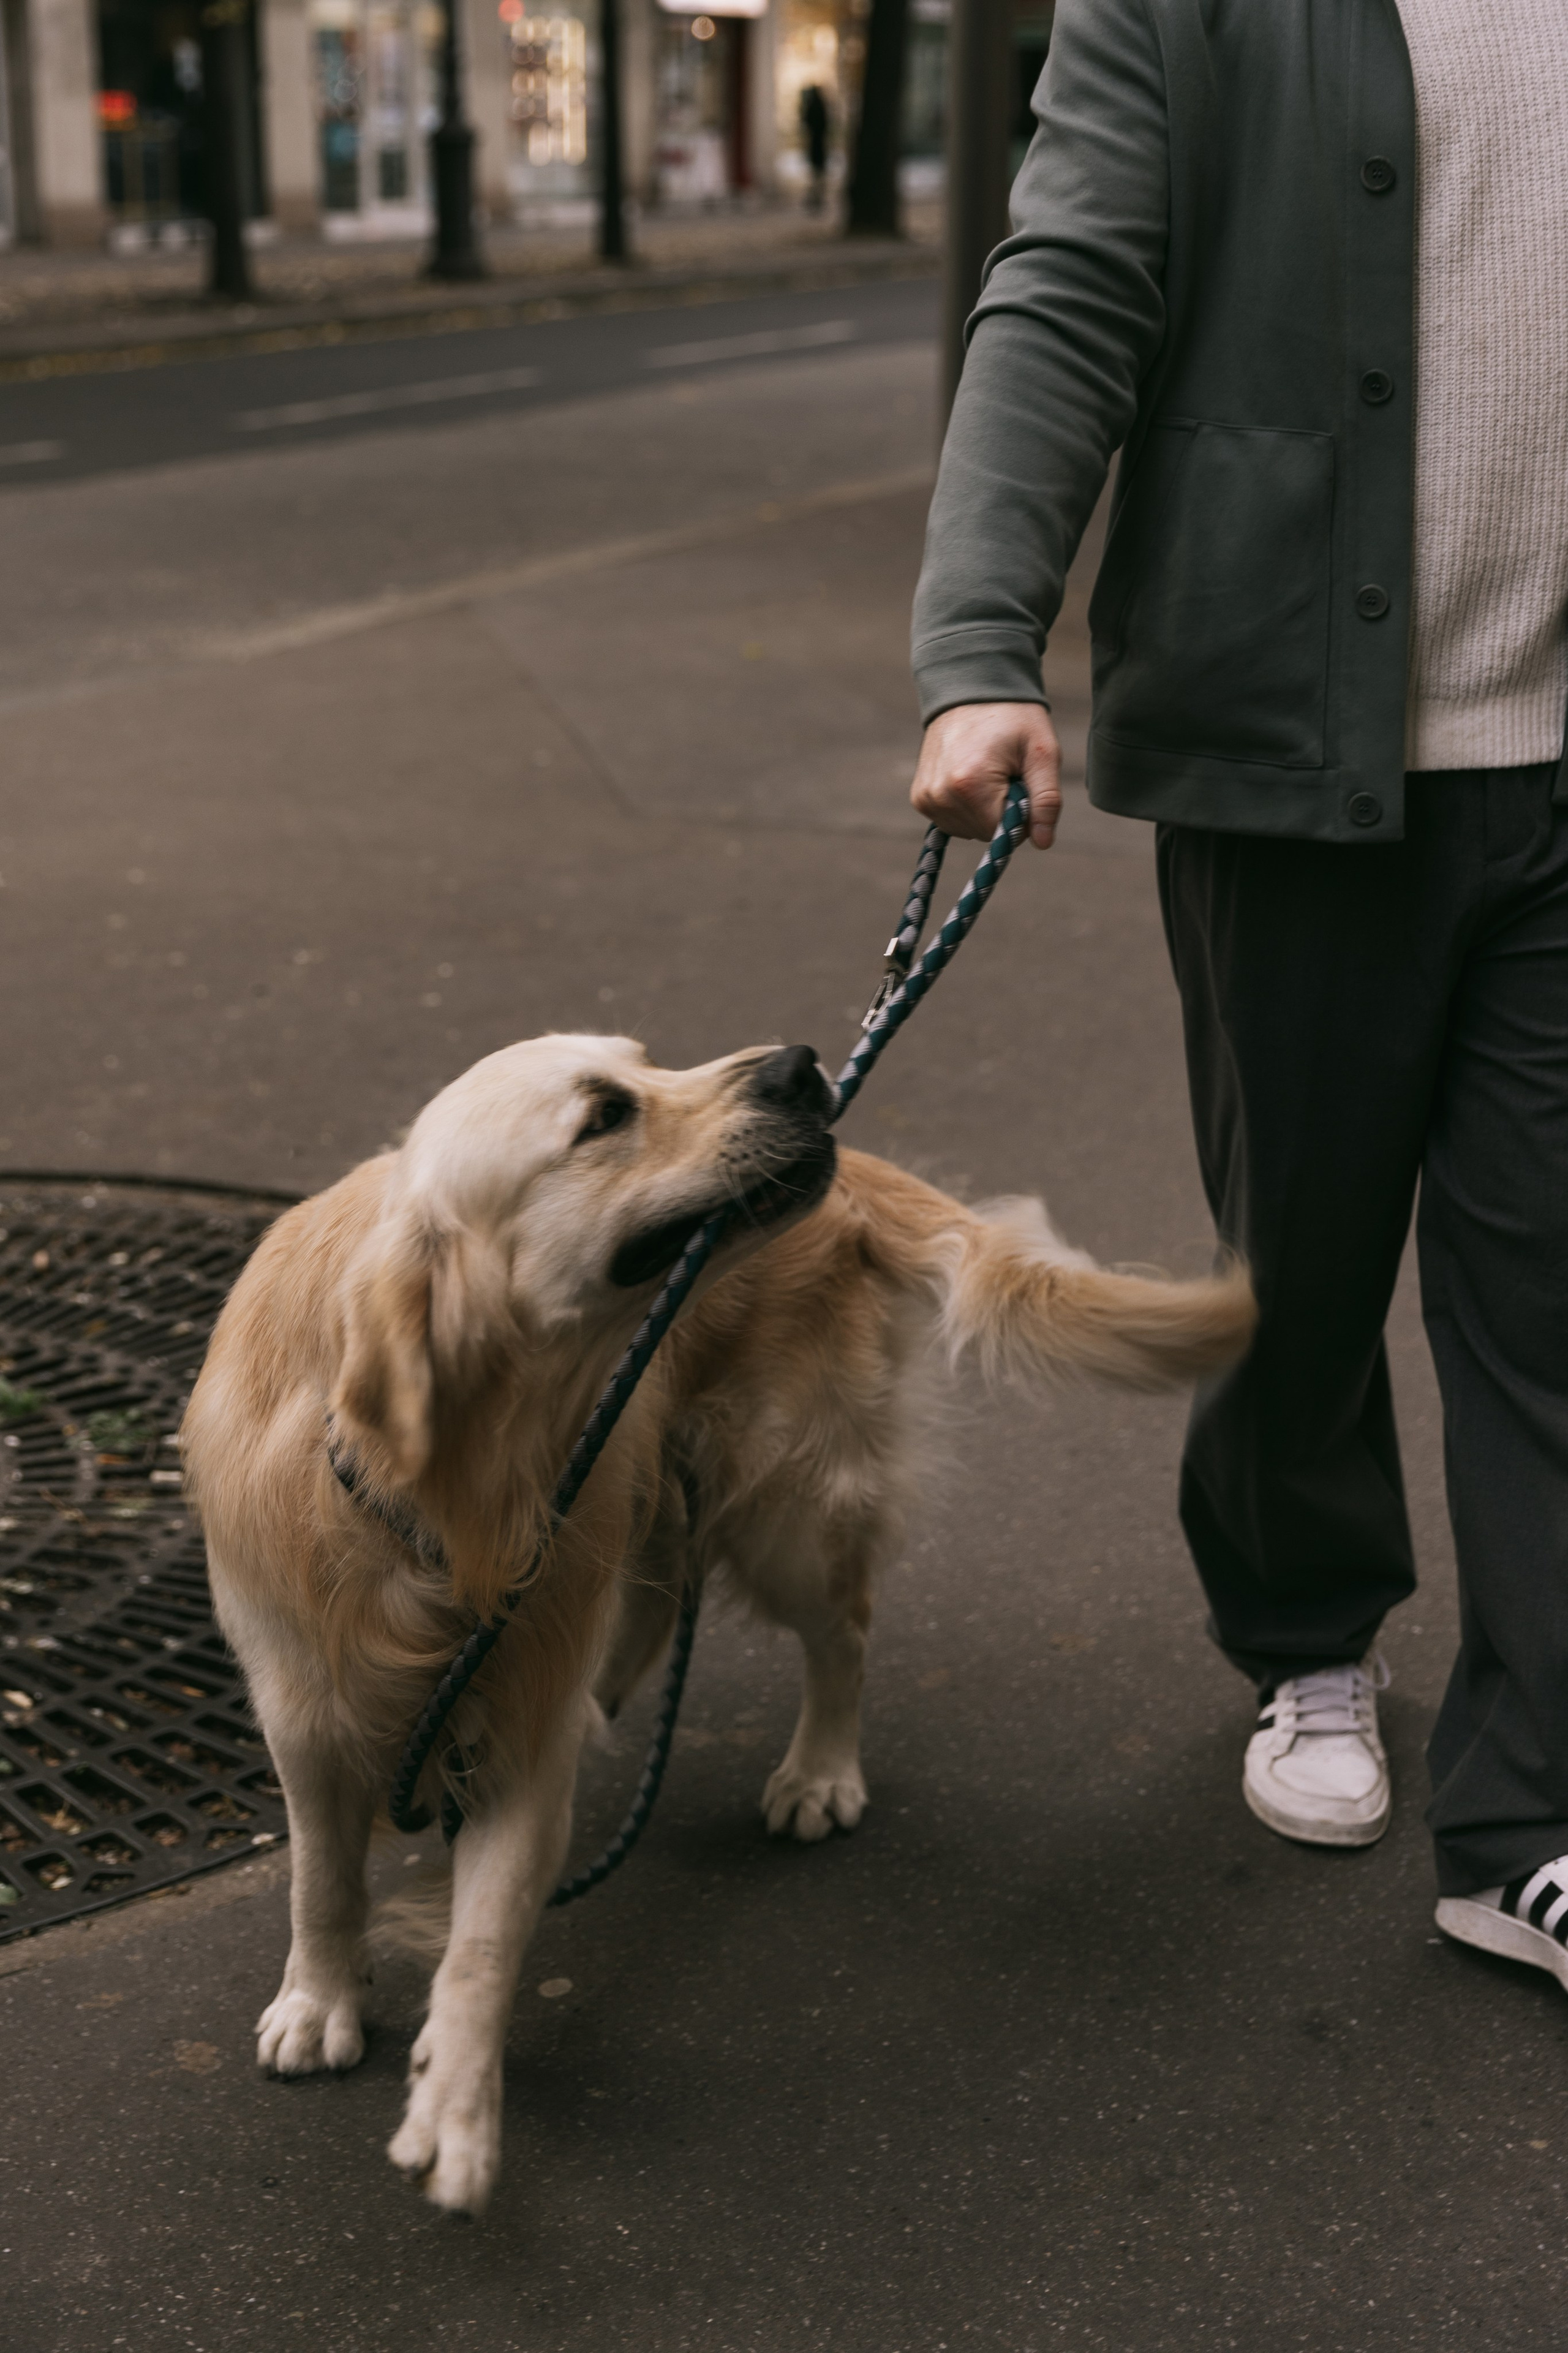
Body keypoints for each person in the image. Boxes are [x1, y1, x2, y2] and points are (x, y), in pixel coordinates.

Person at [909, 1, 1568, 1987]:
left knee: (1550, 1295)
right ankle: (1308, 1639)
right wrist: (980, 647)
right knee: (1306, 1256)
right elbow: (1064, 297)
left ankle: (1533, 1817)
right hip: (1292, 756)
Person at [799, 83, 831, 213]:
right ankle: (817, 196)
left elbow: (806, 121)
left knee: (816, 172)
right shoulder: (821, 106)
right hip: (820, 143)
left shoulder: (812, 106)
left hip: (815, 143)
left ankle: (816, 196)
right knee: (819, 172)